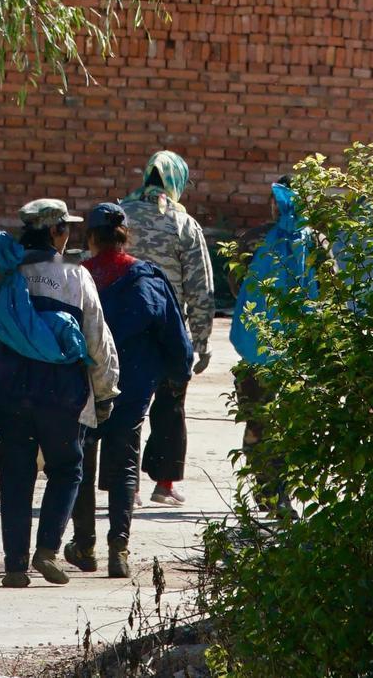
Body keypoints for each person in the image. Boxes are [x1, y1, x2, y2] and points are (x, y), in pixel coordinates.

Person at [0, 199, 120, 589]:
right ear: (57, 232)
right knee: (66, 467)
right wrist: (106, 393)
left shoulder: (3, 272)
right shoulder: (76, 276)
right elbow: (97, 341)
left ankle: (14, 564)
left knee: (14, 472)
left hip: (5, 387)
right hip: (60, 391)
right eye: (67, 229)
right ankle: (47, 550)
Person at [64, 203, 193, 578]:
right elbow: (174, 334)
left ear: (90, 237)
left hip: (83, 387)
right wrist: (178, 374)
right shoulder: (147, 277)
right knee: (123, 465)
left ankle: (84, 546)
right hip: (131, 388)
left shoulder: (75, 279)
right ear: (125, 235)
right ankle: (118, 549)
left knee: (82, 464)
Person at [121, 150, 214, 506]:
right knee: (169, 406)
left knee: (125, 408)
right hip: (168, 330)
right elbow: (200, 287)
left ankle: (126, 486)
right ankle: (164, 483)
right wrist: (202, 341)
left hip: (123, 327)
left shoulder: (121, 215)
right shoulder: (184, 224)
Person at [229, 178, 317, 509]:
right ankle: (285, 494)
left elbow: (237, 287)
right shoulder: (316, 244)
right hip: (302, 354)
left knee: (258, 421)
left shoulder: (254, 240)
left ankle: (267, 492)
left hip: (257, 352)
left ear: (273, 203)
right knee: (294, 423)